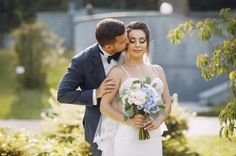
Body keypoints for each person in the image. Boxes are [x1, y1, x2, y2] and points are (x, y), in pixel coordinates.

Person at [57, 18, 147, 156]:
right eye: (124, 41)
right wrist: (96, 93)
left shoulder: (129, 49)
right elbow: (63, 94)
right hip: (101, 127)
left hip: (131, 124)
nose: (128, 42)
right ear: (109, 47)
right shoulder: (82, 61)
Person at [98, 21, 172, 156]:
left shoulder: (158, 70)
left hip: (153, 134)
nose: (138, 45)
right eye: (132, 41)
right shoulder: (117, 72)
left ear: (147, 43)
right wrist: (130, 120)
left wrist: (159, 120)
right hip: (127, 134)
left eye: (142, 41)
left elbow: (167, 103)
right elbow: (104, 106)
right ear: (126, 44)